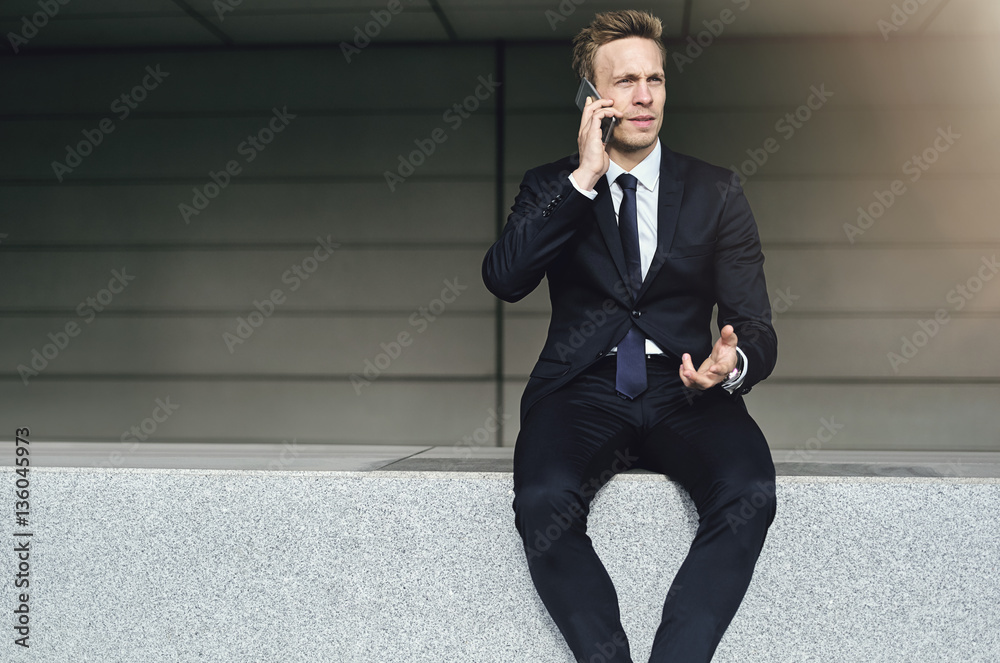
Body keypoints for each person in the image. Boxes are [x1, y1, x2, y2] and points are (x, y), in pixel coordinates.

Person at [481, 9, 778, 663]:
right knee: (542, 498)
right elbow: (504, 278)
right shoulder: (551, 185)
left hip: (687, 390)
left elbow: (755, 323)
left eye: (656, 79)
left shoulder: (715, 191)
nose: (645, 96)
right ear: (593, 98)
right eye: (626, 81)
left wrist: (731, 362)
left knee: (750, 490)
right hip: (580, 389)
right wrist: (584, 178)